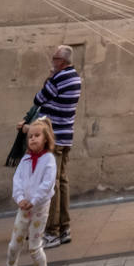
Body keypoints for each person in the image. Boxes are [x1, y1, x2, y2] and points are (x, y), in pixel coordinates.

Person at [0, 119, 56, 266]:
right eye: (30, 136)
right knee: (14, 243)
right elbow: (18, 180)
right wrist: (20, 198)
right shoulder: (25, 159)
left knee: (34, 247)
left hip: (39, 209)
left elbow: (47, 184)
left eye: (37, 136)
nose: (33, 139)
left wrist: (34, 200)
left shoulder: (49, 160)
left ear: (46, 139)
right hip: (24, 208)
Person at [30, 44, 82, 248]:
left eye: (54, 58)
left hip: (54, 137)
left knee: (51, 185)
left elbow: (38, 99)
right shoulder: (75, 77)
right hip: (66, 136)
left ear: (62, 61)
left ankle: (52, 231)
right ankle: (65, 227)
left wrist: (50, 76)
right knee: (62, 182)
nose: (52, 62)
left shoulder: (59, 77)